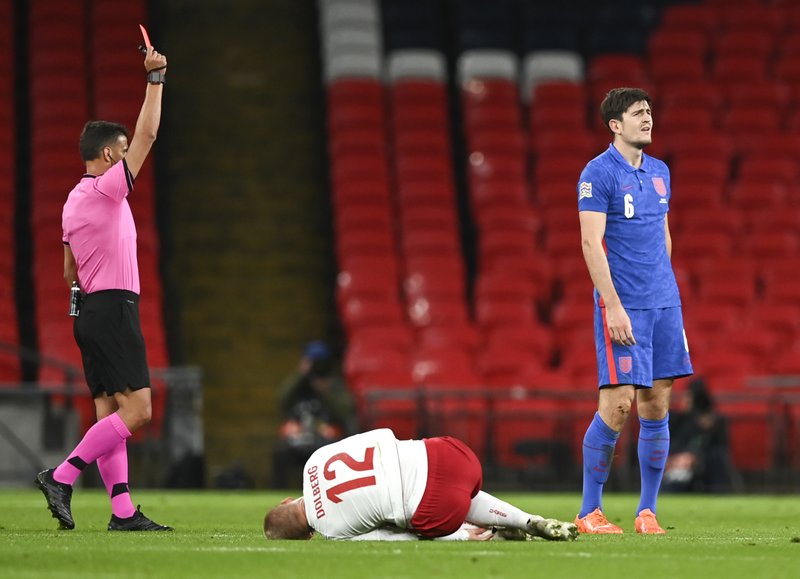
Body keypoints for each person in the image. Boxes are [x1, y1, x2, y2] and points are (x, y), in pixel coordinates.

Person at [35, 45, 171, 531]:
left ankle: (122, 512)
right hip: (113, 309)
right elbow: (150, 133)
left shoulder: (72, 202)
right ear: (112, 154)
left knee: (110, 416)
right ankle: (62, 475)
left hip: (88, 311)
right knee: (138, 411)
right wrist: (155, 79)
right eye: (122, 148)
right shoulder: (107, 189)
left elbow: (67, 271)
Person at [575, 87, 693, 534]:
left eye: (649, 111)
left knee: (657, 404)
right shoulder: (597, 173)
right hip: (624, 306)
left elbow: (664, 236)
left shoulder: (660, 172)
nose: (647, 118)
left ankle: (647, 512)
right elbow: (591, 243)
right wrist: (613, 305)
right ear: (615, 125)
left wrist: (665, 289)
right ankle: (589, 511)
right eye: (637, 113)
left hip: (665, 303)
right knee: (618, 405)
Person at [263, 428, 579, 541]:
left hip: (439, 510)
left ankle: (481, 536)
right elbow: (380, 435)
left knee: (410, 520)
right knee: (454, 488)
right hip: (450, 454)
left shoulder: (330, 531)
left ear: (305, 536)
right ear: (286, 500)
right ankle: (526, 520)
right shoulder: (314, 461)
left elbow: (392, 540)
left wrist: (458, 537)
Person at [271, 341, 358, 488]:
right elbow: (282, 399)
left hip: (326, 441)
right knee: (280, 452)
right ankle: (280, 493)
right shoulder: (298, 386)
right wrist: (301, 374)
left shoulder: (335, 386)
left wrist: (326, 390)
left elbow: (346, 413)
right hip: (299, 438)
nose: (318, 367)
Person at [663, 377, 733, 493]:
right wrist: (675, 457)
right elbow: (673, 441)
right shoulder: (678, 419)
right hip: (678, 460)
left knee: (715, 457)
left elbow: (717, 444)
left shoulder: (713, 421)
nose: (685, 401)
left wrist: (693, 455)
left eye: (689, 397)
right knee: (675, 474)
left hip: (703, 460)